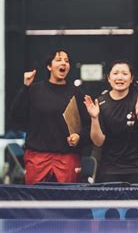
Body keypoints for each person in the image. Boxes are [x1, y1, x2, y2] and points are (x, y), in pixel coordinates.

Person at [10, 49, 90, 185]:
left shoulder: (77, 93)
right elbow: (15, 117)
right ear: (49, 66)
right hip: (37, 158)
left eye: (66, 61)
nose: (63, 63)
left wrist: (79, 137)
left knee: (67, 202)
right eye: (58, 60)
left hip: (67, 159)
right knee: (35, 202)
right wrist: (25, 87)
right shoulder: (33, 90)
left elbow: (89, 126)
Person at [84, 60, 138, 183]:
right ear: (109, 78)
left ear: (131, 78)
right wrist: (94, 118)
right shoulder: (100, 102)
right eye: (115, 73)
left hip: (137, 168)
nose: (120, 77)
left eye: (124, 73)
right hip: (109, 169)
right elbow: (98, 142)